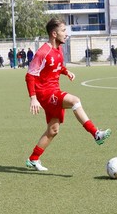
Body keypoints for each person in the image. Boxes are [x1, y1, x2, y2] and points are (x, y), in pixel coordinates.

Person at [25, 18, 111, 171]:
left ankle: (33, 159)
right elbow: (30, 75)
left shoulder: (59, 49)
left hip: (54, 90)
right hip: (45, 93)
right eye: (63, 31)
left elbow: (57, 65)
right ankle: (96, 134)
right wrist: (33, 98)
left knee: (53, 130)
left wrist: (66, 72)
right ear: (54, 33)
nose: (66, 34)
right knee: (74, 101)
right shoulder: (43, 52)